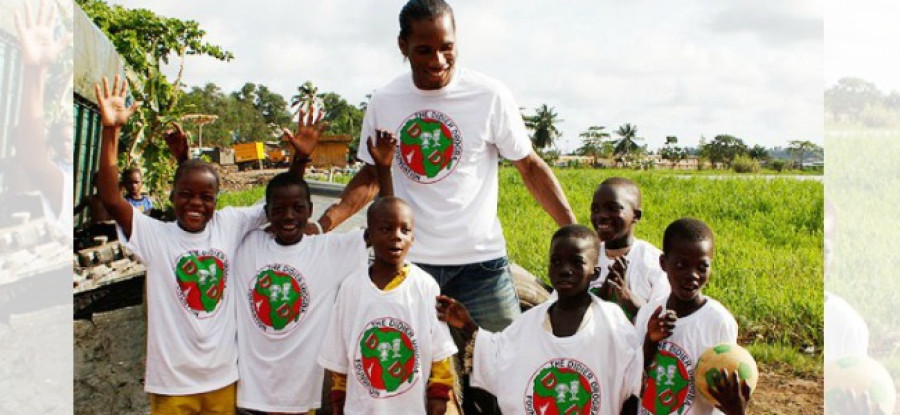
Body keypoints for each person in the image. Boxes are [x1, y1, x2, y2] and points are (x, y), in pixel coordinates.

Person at [309, 1, 576, 410]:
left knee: (503, 371)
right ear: (403, 45)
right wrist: (323, 225)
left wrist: (575, 231)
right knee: (418, 383)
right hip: (412, 271)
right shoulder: (386, 100)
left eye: (447, 47)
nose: (438, 60)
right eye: (424, 50)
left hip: (482, 266)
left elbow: (529, 167)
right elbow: (367, 179)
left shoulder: (488, 95)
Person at [94, 75, 323, 414]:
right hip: (172, 385)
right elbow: (111, 198)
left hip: (223, 380)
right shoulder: (156, 236)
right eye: (185, 195)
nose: (196, 204)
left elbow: (282, 205)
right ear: (170, 197)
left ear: (218, 199)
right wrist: (111, 131)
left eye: (206, 197)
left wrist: (299, 161)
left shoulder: (228, 226)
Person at [233, 132, 394, 415]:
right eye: (279, 209)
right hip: (249, 396)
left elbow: (388, 223)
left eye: (298, 209)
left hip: (301, 400)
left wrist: (384, 170)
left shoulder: (327, 251)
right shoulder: (247, 245)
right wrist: (299, 161)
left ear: (310, 210)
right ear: (266, 212)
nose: (289, 216)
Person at [436, 224, 642, 415]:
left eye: (576, 262)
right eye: (557, 261)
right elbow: (499, 356)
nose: (565, 269)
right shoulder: (530, 322)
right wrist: (466, 324)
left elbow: (633, 377)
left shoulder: (611, 322)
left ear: (594, 272)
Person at [317, 197, 458, 415]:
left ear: (413, 237)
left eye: (405, 230)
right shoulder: (351, 288)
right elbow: (339, 353)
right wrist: (338, 398)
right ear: (370, 235)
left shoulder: (424, 286)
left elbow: (440, 352)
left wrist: (438, 396)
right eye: (386, 229)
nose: (396, 237)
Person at [635, 218, 750, 415]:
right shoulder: (648, 313)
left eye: (702, 267)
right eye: (681, 265)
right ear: (663, 263)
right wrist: (650, 341)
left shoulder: (718, 321)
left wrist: (737, 410)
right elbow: (632, 380)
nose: (692, 275)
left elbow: (725, 390)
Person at [588, 177, 669, 320]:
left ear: (636, 215)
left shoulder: (654, 262)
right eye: (595, 209)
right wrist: (603, 294)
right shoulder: (586, 257)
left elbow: (661, 319)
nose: (602, 215)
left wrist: (625, 295)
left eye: (613, 208)